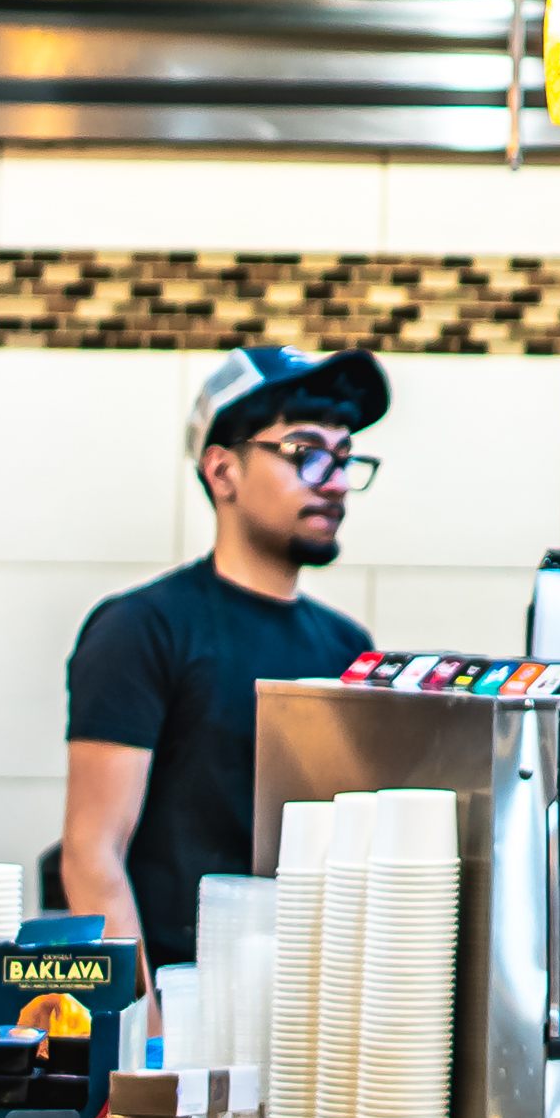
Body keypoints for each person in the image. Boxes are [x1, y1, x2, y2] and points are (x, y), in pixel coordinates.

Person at [59, 345, 382, 963]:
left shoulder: (347, 648)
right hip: (180, 1007)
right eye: (306, 453)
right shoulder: (141, 628)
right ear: (222, 471)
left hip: (306, 1005)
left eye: (344, 457)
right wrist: (148, 1040)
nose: (336, 481)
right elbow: (91, 853)